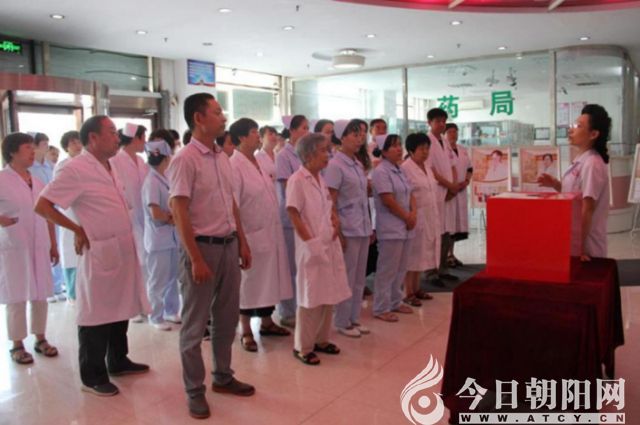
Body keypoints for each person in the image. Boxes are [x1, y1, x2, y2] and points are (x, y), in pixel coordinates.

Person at [35, 115, 150, 397]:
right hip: (99, 249)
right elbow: (43, 205)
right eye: (111, 132)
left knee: (120, 307)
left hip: (121, 247)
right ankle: (92, 376)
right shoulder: (75, 168)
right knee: (96, 314)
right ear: (93, 138)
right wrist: (77, 229)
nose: (117, 137)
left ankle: (118, 360)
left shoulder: (111, 165)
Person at [167, 93, 254, 419]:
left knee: (227, 318)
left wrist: (242, 241)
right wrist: (195, 259)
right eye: (217, 112)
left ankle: (223, 376)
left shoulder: (222, 157)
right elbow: (179, 210)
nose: (223, 117)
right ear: (199, 118)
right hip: (201, 248)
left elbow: (231, 202)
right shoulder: (185, 159)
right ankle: (194, 391)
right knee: (194, 325)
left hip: (228, 246)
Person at [286, 133, 351, 365]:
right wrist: (311, 242)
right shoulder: (297, 180)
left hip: (328, 242)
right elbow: (293, 213)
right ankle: (303, 347)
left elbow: (328, 204)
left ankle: (322, 340)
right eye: (323, 151)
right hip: (311, 246)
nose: (328, 155)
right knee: (311, 296)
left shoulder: (320, 178)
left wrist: (335, 220)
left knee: (328, 293)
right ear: (309, 154)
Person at [229, 118, 292, 352]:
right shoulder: (234, 165)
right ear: (242, 137)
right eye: (255, 132)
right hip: (250, 234)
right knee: (248, 284)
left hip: (269, 232)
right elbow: (233, 206)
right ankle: (245, 329)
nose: (259, 136)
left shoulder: (258, 161)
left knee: (268, 280)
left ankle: (267, 322)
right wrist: (241, 240)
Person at [1, 132, 59, 365]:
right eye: (27, 148)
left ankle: (40, 338)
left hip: (40, 244)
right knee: (16, 294)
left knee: (40, 292)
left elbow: (48, 214)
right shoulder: (2, 179)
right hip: (14, 245)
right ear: (12, 152)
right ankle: (17, 344)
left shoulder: (38, 181)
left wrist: (53, 244)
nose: (32, 152)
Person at [538, 104, 611, 260]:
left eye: (578, 126)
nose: (571, 130)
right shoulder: (581, 159)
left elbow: (588, 208)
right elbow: (574, 195)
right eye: (573, 125)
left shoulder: (592, 163)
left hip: (587, 248)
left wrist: (580, 248)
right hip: (574, 239)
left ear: (593, 134)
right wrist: (556, 184)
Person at [324, 119, 372, 338]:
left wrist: (369, 226)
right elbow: (331, 200)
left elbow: (362, 198)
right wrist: (339, 231)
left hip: (362, 226)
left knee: (359, 277)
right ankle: (342, 321)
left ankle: (354, 318)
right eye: (354, 134)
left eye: (361, 134)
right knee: (347, 277)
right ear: (342, 137)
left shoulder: (357, 164)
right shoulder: (335, 165)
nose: (359, 138)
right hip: (348, 227)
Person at [371, 134, 416, 322]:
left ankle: (396, 301)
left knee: (401, 268)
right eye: (394, 146)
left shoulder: (400, 169)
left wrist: (413, 214)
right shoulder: (381, 171)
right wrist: (407, 216)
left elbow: (411, 193)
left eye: (400, 145)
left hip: (406, 226)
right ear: (383, 151)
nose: (399, 149)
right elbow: (388, 200)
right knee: (387, 269)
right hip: (391, 227)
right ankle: (381, 307)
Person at [110, 123, 149, 323]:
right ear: (135, 139)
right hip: (127, 218)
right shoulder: (115, 160)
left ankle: (144, 304)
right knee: (131, 263)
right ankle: (132, 307)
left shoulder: (141, 161)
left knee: (144, 262)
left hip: (144, 218)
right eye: (143, 138)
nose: (145, 143)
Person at [141, 139, 180, 331]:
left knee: (172, 277)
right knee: (158, 280)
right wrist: (173, 218)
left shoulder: (165, 178)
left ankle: (171, 311)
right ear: (165, 159)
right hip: (159, 239)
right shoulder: (151, 181)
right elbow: (155, 213)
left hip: (171, 238)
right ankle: (155, 316)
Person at [275, 115, 309, 328]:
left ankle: (302, 308)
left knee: (303, 265)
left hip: (307, 215)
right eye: (304, 128)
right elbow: (288, 186)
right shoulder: (283, 156)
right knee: (290, 267)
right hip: (290, 217)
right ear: (293, 130)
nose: (307, 132)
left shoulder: (305, 154)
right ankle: (287, 311)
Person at [401, 133, 442, 305]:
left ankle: (417, 288)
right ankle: (407, 292)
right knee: (412, 255)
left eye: (427, 148)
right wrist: (410, 215)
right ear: (411, 150)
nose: (425, 152)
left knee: (422, 253)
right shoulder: (405, 168)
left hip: (430, 215)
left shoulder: (427, 167)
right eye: (421, 149)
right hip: (415, 216)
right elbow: (405, 195)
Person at [29, 132, 65, 302]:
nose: (46, 147)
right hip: (38, 213)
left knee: (55, 246)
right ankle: (46, 287)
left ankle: (57, 286)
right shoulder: (30, 168)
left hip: (54, 211)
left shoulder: (50, 166)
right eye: (43, 144)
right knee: (42, 249)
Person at [426, 108, 460, 285]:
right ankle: (431, 272)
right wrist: (448, 186)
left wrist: (453, 187)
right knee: (435, 232)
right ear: (429, 123)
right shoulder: (427, 142)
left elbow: (453, 165)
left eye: (443, 121)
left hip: (448, 192)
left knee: (447, 232)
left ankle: (443, 268)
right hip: (437, 191)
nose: (441, 124)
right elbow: (430, 169)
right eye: (437, 121)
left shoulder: (445, 142)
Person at [54, 131, 83, 303]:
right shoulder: (62, 166)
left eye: (79, 142)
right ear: (66, 147)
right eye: (73, 143)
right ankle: (73, 295)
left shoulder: (88, 163)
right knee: (72, 257)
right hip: (70, 215)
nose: (77, 145)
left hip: (86, 216)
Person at [444, 123, 472, 268]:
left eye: (455, 131)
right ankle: (445, 256)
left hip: (461, 190)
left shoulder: (463, 150)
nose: (453, 134)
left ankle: (451, 254)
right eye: (450, 131)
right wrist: (453, 186)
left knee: (455, 225)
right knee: (448, 225)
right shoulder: (442, 151)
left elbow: (470, 168)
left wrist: (466, 181)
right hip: (448, 191)